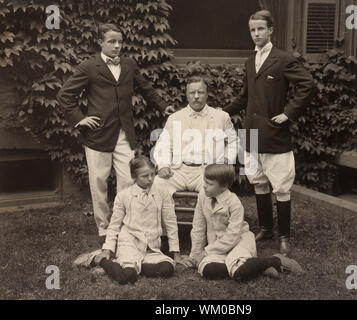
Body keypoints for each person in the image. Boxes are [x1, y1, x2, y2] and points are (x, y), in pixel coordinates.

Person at [57, 23, 175, 243]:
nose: (117, 45)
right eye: (112, 41)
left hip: (124, 134)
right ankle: (104, 230)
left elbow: (146, 88)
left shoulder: (129, 64)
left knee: (128, 181)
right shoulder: (89, 66)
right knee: (99, 182)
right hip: (97, 135)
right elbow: (65, 95)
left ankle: (125, 227)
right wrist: (80, 119)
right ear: (100, 42)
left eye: (120, 41)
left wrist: (162, 105)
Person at [223, 10, 315, 254]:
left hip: (275, 133)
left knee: (281, 187)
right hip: (250, 134)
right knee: (258, 183)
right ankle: (265, 228)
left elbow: (307, 84)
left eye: (261, 29)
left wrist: (288, 113)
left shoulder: (283, 59)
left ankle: (284, 236)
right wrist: (220, 113)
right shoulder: (248, 61)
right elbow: (245, 96)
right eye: (252, 30)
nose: (256, 34)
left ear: (271, 30)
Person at [185, 164, 303, 281]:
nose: (204, 186)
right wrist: (195, 254)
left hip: (238, 242)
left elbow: (232, 237)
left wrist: (206, 251)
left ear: (224, 186)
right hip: (216, 245)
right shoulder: (203, 195)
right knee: (208, 270)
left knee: (239, 273)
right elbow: (198, 226)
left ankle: (275, 261)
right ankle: (256, 267)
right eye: (204, 182)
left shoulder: (234, 203)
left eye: (209, 184)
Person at [84, 155, 186, 285]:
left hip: (152, 247)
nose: (150, 179)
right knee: (127, 276)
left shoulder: (162, 193)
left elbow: (171, 223)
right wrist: (107, 249)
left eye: (152, 174)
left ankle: (124, 266)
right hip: (129, 243)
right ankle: (102, 261)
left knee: (167, 268)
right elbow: (114, 225)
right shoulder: (124, 196)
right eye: (145, 176)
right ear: (134, 176)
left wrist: (176, 253)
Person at [153, 75, 238, 196]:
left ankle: (206, 215)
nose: (196, 96)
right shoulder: (174, 118)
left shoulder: (221, 116)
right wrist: (163, 165)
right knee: (156, 185)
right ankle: (165, 215)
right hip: (178, 171)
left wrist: (227, 159)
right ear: (187, 95)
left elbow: (233, 141)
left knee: (212, 191)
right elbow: (163, 144)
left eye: (201, 92)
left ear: (207, 94)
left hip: (207, 171)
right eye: (192, 93)